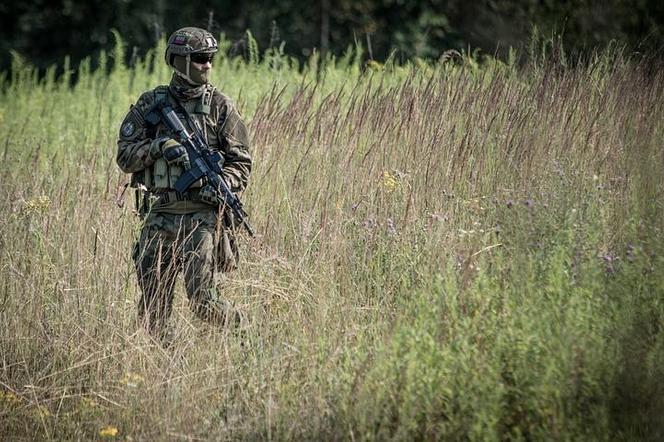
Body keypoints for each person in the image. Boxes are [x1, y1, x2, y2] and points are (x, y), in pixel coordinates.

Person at [116, 27, 252, 344]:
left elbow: (241, 162)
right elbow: (124, 157)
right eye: (201, 58)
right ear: (179, 61)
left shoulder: (221, 106)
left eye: (211, 59)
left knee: (205, 302)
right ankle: (169, 374)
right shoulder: (152, 104)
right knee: (154, 309)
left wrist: (223, 184)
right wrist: (159, 147)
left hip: (202, 219)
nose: (208, 65)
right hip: (160, 215)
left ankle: (245, 336)